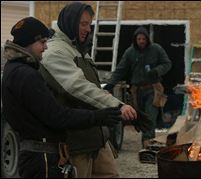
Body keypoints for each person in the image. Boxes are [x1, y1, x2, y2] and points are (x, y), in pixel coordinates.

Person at [1, 17, 123, 178]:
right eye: (42, 42)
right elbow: (57, 116)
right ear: (29, 42)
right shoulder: (26, 75)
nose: (46, 47)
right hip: (41, 157)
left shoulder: (13, 69)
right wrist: (98, 116)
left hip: (33, 154)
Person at [40, 2, 138, 178]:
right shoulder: (55, 51)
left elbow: (90, 86)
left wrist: (104, 96)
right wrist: (117, 105)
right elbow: (77, 86)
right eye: (83, 24)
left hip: (95, 137)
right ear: (70, 22)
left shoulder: (78, 49)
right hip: (74, 141)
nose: (88, 29)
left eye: (89, 24)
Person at [104, 26, 172, 148]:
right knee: (140, 118)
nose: (141, 41)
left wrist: (157, 71)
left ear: (147, 39)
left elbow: (167, 63)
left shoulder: (156, 49)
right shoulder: (130, 52)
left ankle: (148, 145)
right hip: (137, 91)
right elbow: (120, 70)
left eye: (143, 38)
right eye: (139, 39)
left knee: (150, 116)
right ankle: (146, 142)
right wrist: (110, 84)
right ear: (135, 40)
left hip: (153, 89)